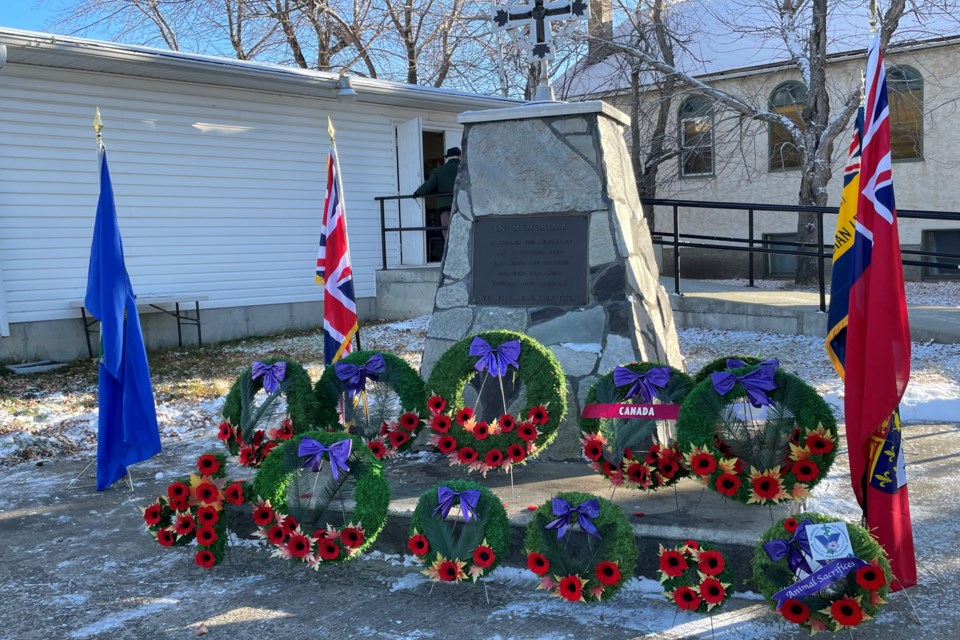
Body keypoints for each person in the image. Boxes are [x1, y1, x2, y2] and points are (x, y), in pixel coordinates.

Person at [413, 147, 461, 242]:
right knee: (462, 232)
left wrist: (416, 193)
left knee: (447, 233)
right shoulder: (464, 169)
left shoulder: (439, 171)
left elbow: (428, 187)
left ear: (448, 158)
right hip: (461, 206)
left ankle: (449, 254)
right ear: (459, 156)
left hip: (445, 206)